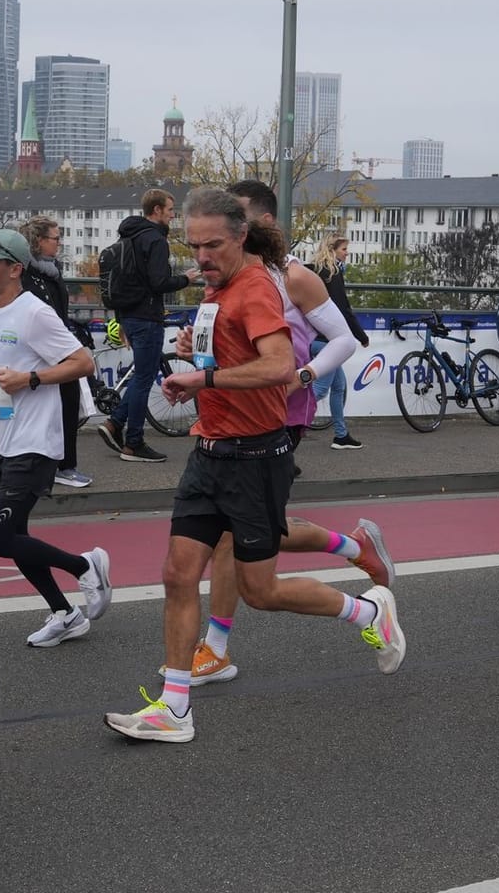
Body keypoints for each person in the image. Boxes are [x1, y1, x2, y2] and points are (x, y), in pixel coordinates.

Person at [105, 187, 403, 743]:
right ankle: (175, 709)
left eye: (212, 245)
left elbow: (278, 363)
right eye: (192, 247)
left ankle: (366, 614)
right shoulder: (216, 290)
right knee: (176, 573)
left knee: (260, 590)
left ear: (242, 237)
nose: (201, 257)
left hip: (255, 457)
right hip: (209, 450)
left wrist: (204, 377)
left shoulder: (259, 289)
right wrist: (198, 357)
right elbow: (229, 357)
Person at [186, 183, 395, 684]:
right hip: (231, 414)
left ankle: (216, 647)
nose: (212, 246)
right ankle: (353, 546)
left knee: (240, 538)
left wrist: (302, 377)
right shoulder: (222, 280)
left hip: (280, 412)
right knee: (243, 533)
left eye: (228, 229)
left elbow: (346, 339)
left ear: (258, 223)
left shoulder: (293, 277)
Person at [0, 228, 110, 647]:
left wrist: (32, 378)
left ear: (14, 269)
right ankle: (66, 614)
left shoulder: (35, 312)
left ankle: (84, 566)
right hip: (6, 440)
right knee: (18, 538)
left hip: (35, 443)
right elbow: (2, 373)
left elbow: (83, 362)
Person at [97, 189, 197, 463]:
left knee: (142, 374)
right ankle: (134, 443)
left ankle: (114, 423)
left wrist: (122, 320)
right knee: (144, 378)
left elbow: (122, 282)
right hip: (147, 316)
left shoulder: (129, 236)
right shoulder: (154, 239)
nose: (173, 215)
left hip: (130, 315)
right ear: (156, 211)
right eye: (169, 209)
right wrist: (185, 280)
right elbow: (159, 282)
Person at [18, 215, 95, 488]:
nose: (59, 243)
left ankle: (65, 463)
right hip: (43, 348)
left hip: (61, 343)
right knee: (52, 404)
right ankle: (57, 465)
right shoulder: (26, 273)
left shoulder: (53, 269)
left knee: (68, 401)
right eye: (55, 238)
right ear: (39, 241)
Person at [309, 235, 371, 450]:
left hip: (317, 339)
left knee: (338, 387)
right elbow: (343, 309)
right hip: (327, 342)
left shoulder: (313, 270)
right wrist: (361, 336)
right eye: (344, 249)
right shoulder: (333, 275)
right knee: (318, 391)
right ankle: (282, 427)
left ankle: (341, 435)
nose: (347, 252)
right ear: (333, 250)